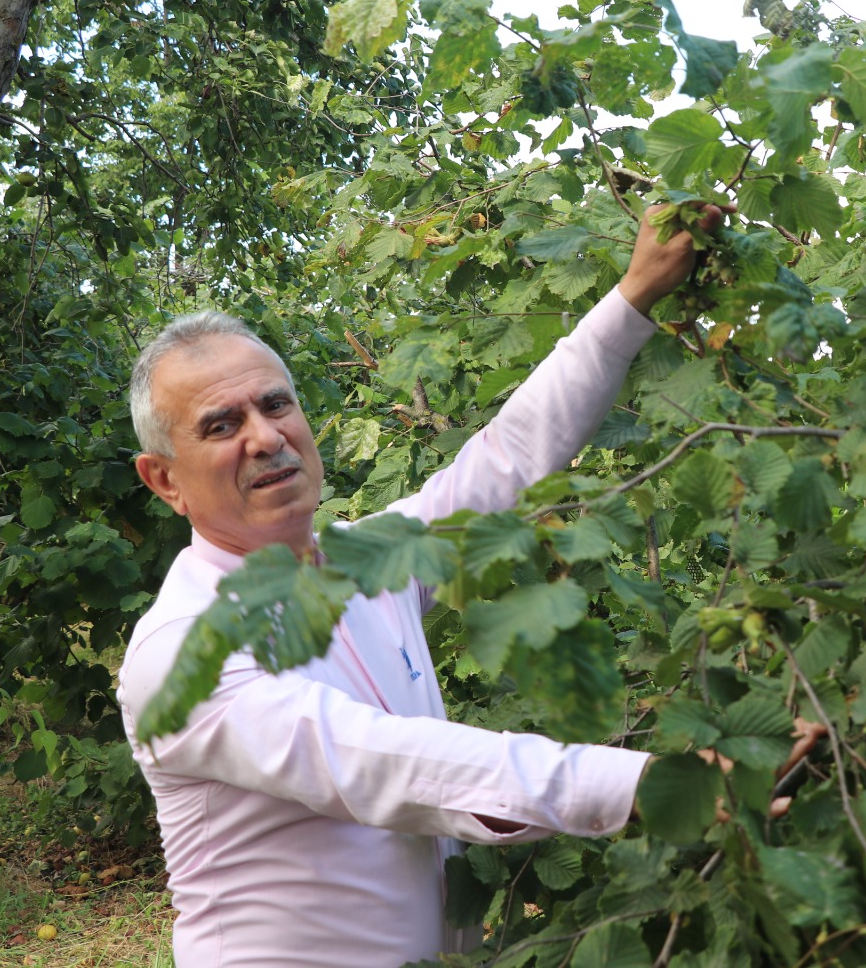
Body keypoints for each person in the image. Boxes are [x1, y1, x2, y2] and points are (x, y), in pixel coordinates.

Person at [115, 205, 728, 968]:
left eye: (275, 404)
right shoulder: (182, 652)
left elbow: (507, 460)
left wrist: (635, 295)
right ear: (164, 480)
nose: (266, 437)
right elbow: (381, 760)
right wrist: (648, 785)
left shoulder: (365, 561)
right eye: (221, 425)